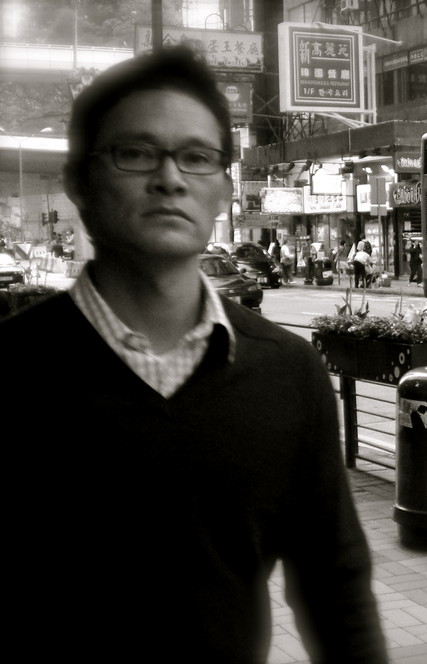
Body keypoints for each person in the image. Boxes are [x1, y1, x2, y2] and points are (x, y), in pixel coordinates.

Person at [0, 46, 388, 664]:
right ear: (80, 183)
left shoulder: (288, 373)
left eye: (196, 157)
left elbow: (334, 587)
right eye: (136, 152)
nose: (170, 178)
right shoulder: (11, 373)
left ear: (223, 191)